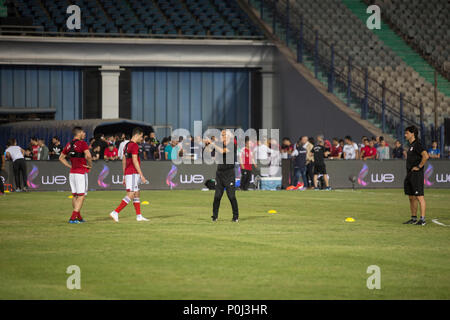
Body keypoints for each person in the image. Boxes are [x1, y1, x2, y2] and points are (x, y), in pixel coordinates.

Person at [109, 127, 149, 223]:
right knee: (131, 194)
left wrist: (124, 175)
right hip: (133, 173)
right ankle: (115, 212)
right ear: (136, 135)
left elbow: (123, 160)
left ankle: (139, 216)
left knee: (137, 193)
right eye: (141, 136)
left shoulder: (126, 145)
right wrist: (141, 175)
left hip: (129, 173)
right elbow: (135, 160)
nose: (142, 138)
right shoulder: (134, 145)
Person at [59, 127, 93, 224]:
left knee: (75, 195)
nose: (85, 134)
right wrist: (90, 165)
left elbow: (61, 158)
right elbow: (89, 156)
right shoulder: (82, 143)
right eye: (83, 132)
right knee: (81, 196)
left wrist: (69, 165)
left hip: (72, 173)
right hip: (81, 172)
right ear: (79, 133)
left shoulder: (69, 144)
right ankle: (73, 218)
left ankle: (79, 217)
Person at [403, 126, 429, 226]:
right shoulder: (410, 146)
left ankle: (422, 220)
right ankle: (413, 218)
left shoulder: (417, 144)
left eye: (407, 133)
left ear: (412, 133)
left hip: (416, 174)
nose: (405, 135)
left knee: (419, 197)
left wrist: (419, 166)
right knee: (411, 197)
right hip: (410, 174)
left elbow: (426, 156)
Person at [211, 129, 239, 222]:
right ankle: (214, 216)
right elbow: (214, 157)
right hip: (219, 173)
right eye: (221, 135)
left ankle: (235, 216)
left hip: (229, 173)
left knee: (231, 196)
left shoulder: (232, 144)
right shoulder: (219, 144)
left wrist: (213, 143)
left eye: (223, 135)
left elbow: (223, 151)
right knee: (217, 196)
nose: (221, 137)